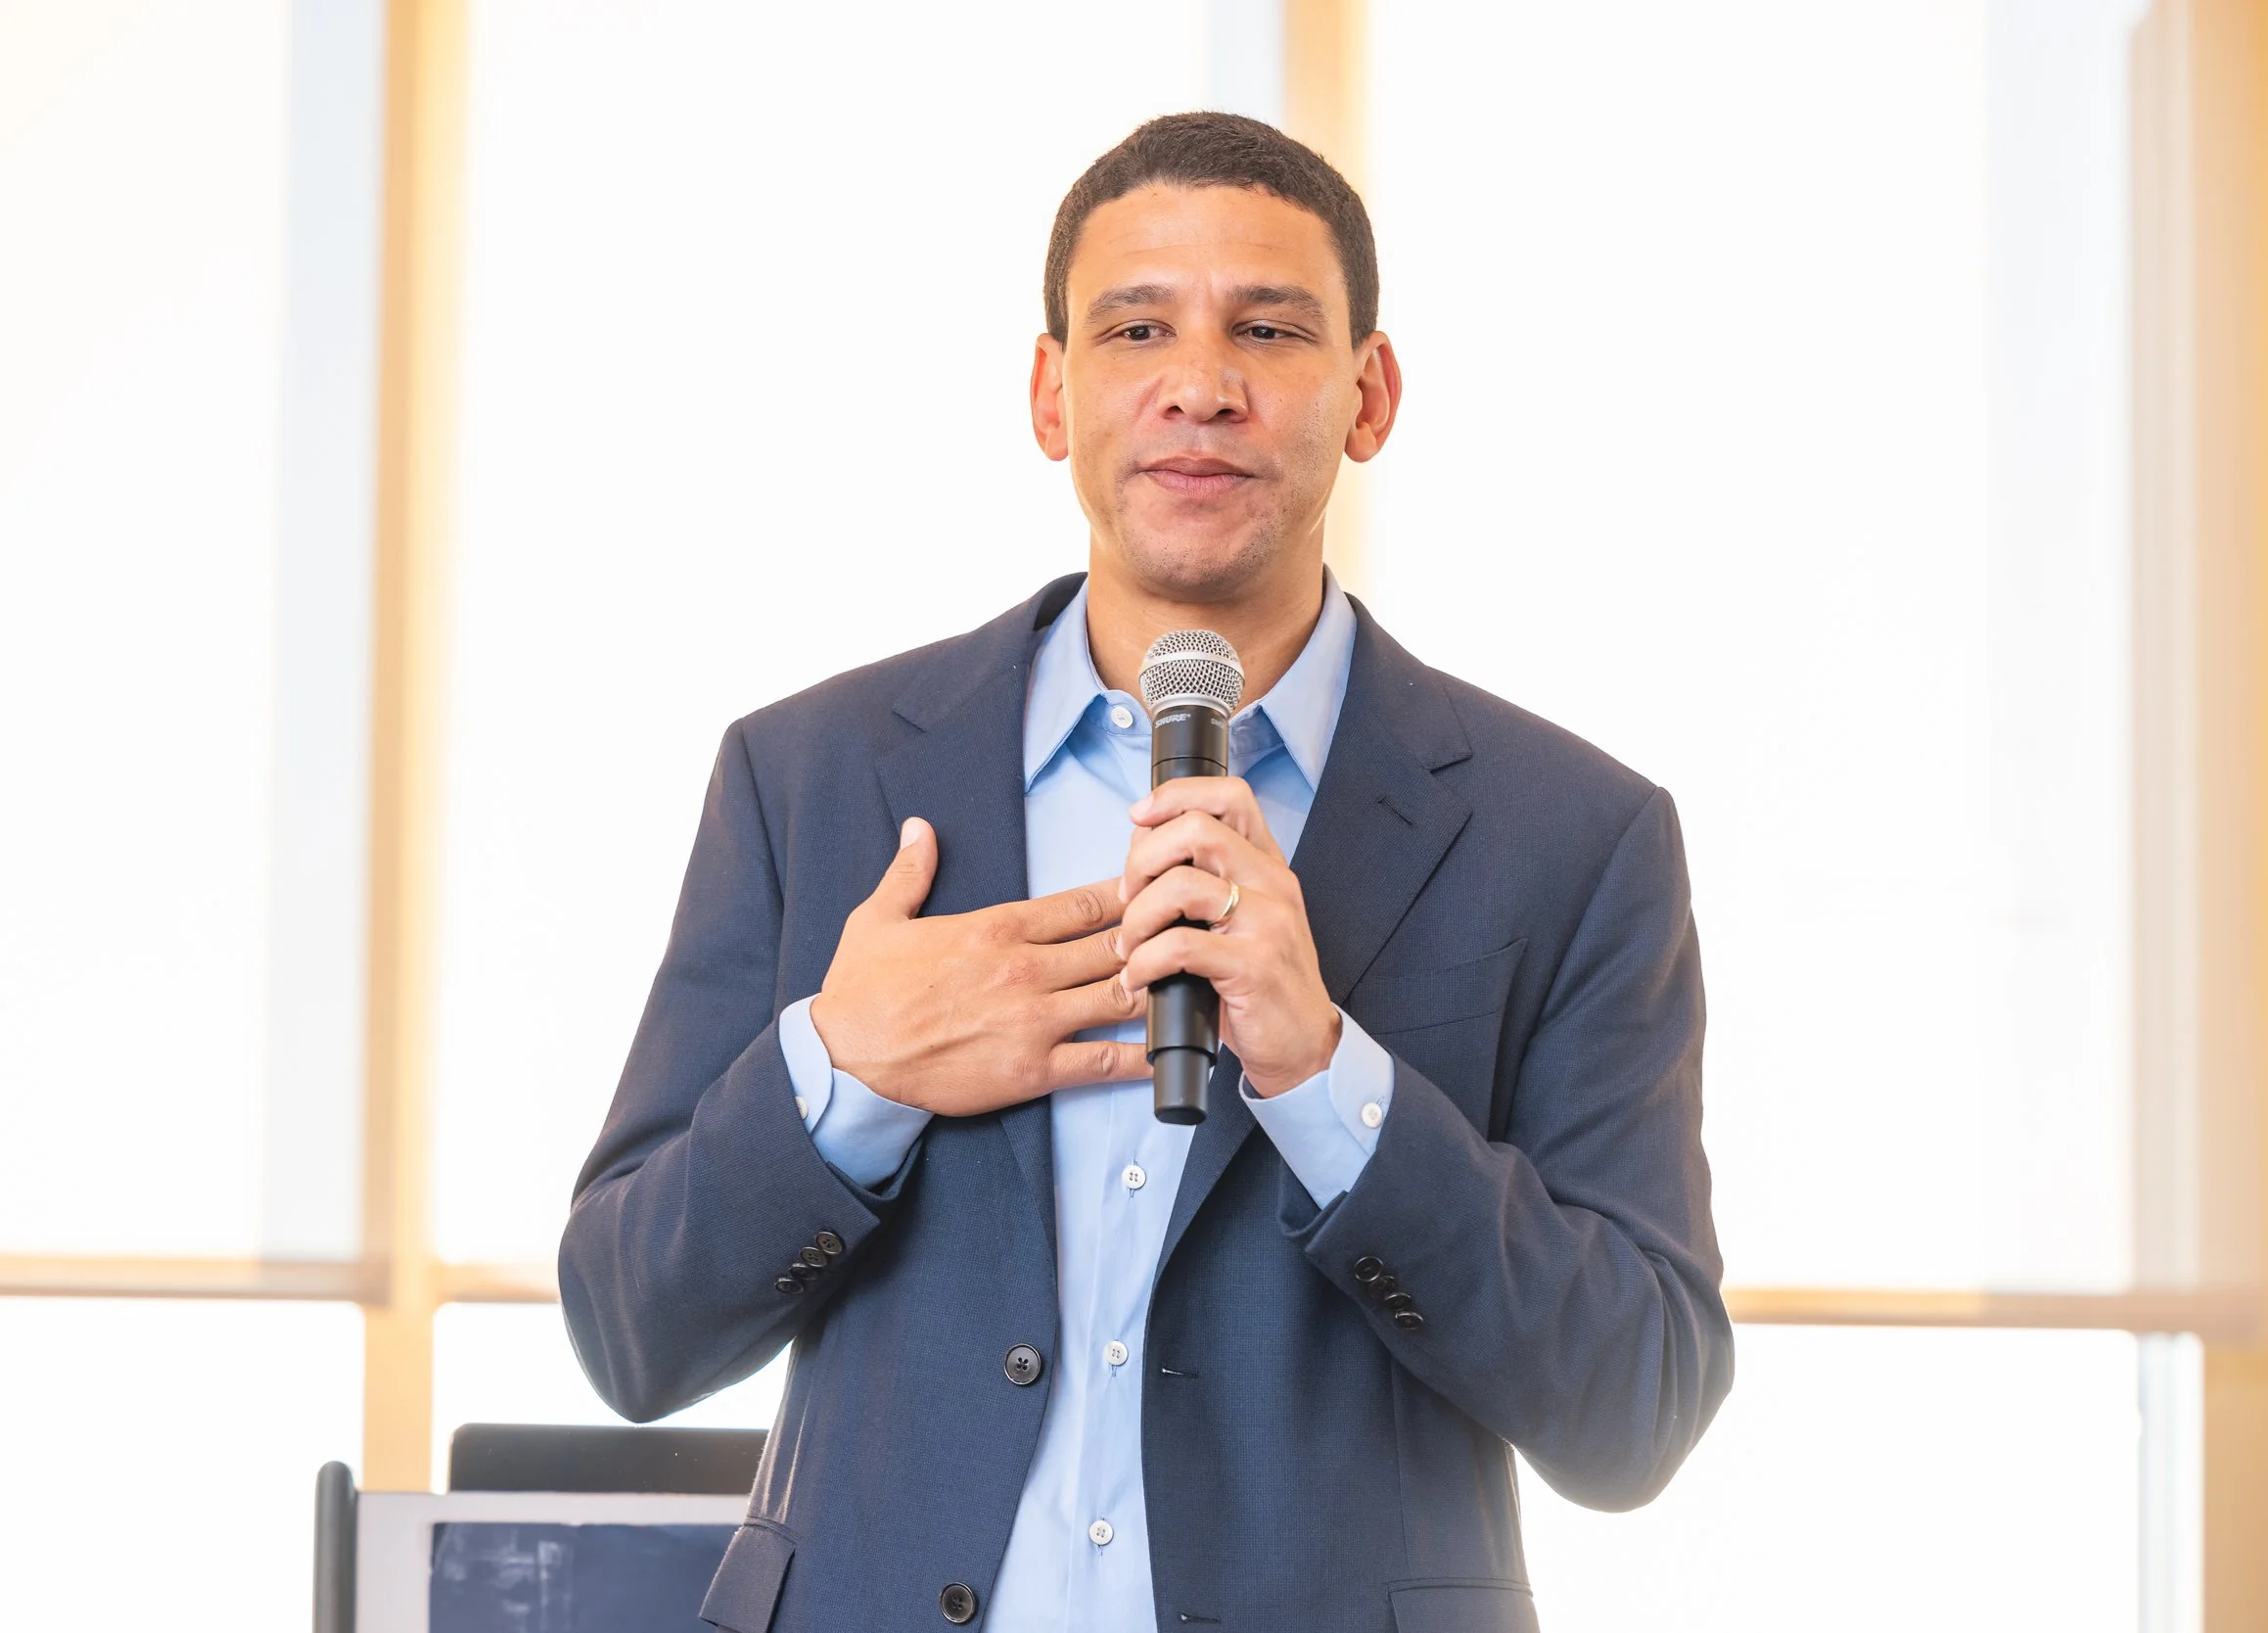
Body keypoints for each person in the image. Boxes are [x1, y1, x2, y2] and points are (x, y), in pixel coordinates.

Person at [561, 111, 1732, 1633]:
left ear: (1370, 394)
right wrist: (850, 1073)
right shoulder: (814, 777)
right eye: (1136, 329)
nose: (1201, 384)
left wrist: (1328, 1080)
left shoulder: (1569, 834)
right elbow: (629, 1331)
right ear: (1051, 396)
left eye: (1269, 328)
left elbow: (1636, 1406)